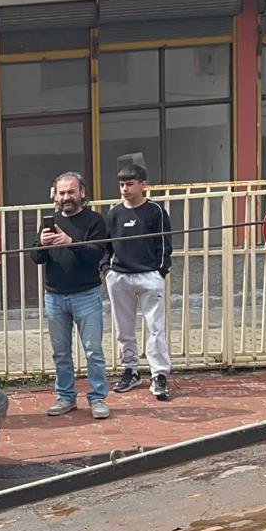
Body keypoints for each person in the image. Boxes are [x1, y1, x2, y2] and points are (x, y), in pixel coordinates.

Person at [33, 172, 111, 420]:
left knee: (93, 350)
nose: (66, 197)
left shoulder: (95, 221)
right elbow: (36, 258)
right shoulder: (50, 222)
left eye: (71, 192)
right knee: (61, 352)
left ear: (82, 193)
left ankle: (97, 398)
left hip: (86, 295)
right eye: (61, 193)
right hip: (54, 297)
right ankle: (65, 397)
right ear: (55, 196)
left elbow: (96, 254)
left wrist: (70, 242)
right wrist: (42, 244)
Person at [104, 163, 173, 401]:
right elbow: (106, 245)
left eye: (130, 184)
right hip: (119, 275)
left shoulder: (156, 211)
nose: (125, 189)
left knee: (156, 328)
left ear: (143, 185)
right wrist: (106, 269)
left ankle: (159, 374)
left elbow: (164, 243)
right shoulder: (114, 213)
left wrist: (160, 271)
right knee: (123, 327)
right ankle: (130, 369)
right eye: (121, 184)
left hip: (149, 275)